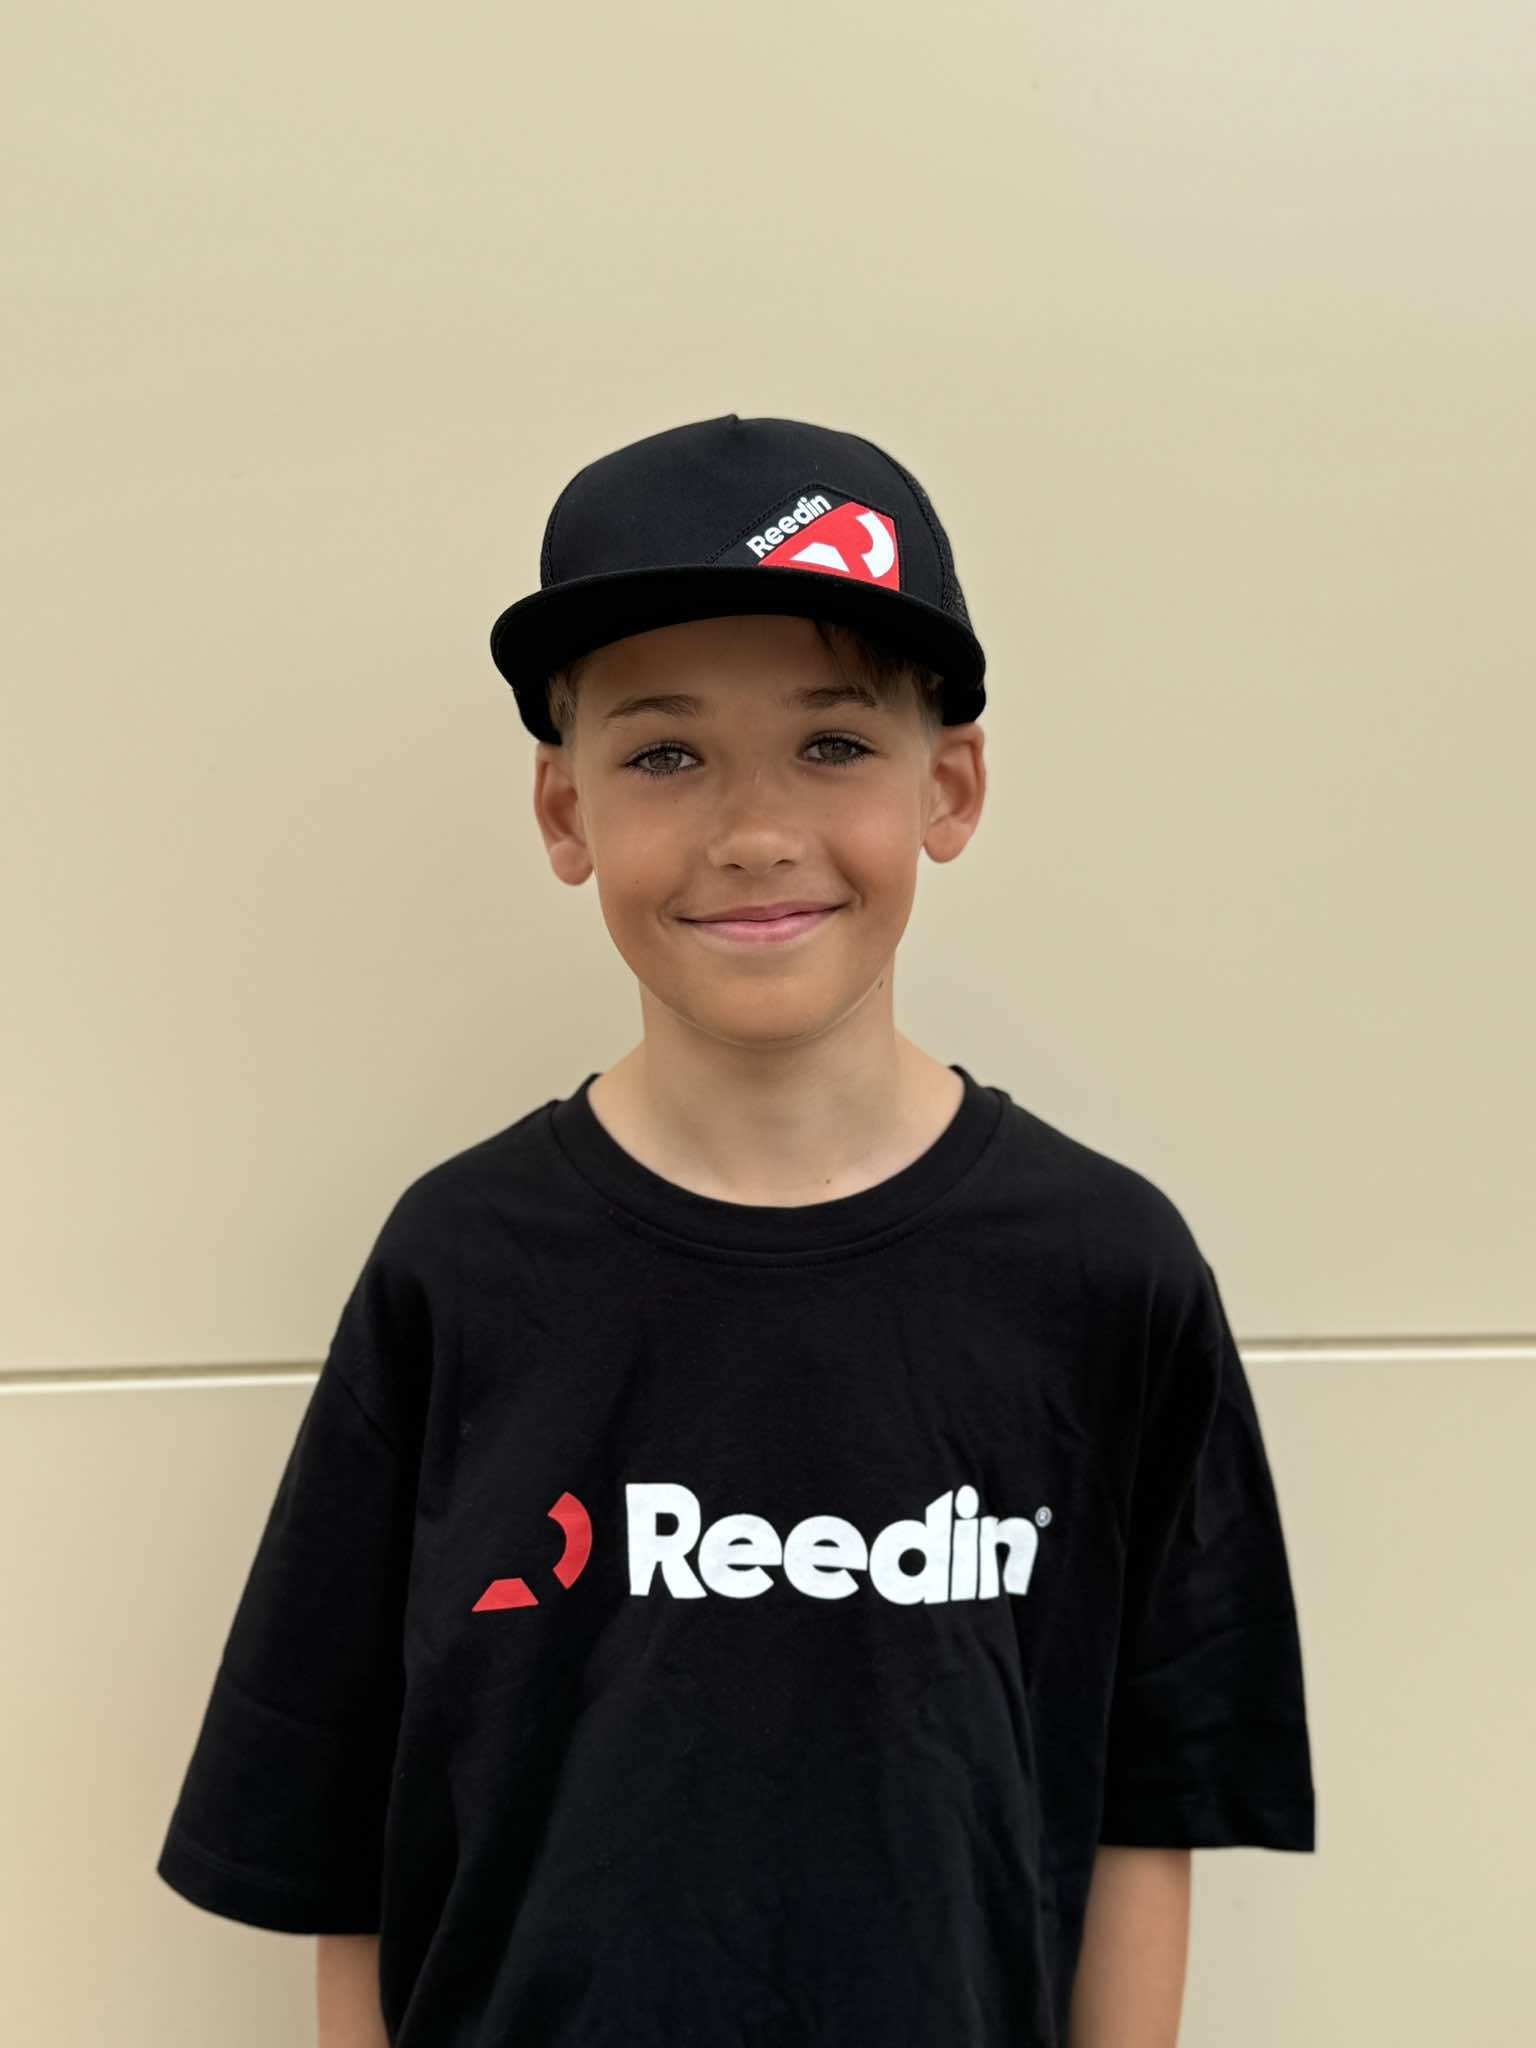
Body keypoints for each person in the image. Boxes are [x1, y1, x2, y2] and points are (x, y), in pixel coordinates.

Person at [155, 413, 1316, 2047]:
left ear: (951, 784)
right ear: (564, 810)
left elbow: (1153, 1800)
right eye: (665, 755)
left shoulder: (1104, 1270)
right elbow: (342, 1829)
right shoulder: (458, 1266)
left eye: (832, 743)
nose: (754, 828)